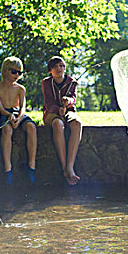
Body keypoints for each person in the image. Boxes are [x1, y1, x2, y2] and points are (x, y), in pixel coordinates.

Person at [0, 56, 37, 185]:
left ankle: (31, 166)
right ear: (5, 71)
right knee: (6, 130)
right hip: (5, 113)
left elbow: (23, 108)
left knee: (31, 128)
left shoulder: (21, 89)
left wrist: (19, 117)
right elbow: (0, 108)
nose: (17, 75)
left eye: (19, 72)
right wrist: (9, 116)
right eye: (14, 71)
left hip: (18, 113)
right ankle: (8, 168)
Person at [41, 56, 82, 185]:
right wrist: (57, 109)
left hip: (68, 111)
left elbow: (73, 99)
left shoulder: (72, 82)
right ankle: (65, 168)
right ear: (50, 71)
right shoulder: (46, 83)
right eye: (56, 66)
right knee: (58, 124)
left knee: (76, 123)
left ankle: (70, 166)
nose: (59, 68)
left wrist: (67, 102)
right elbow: (48, 103)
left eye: (62, 66)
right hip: (51, 113)